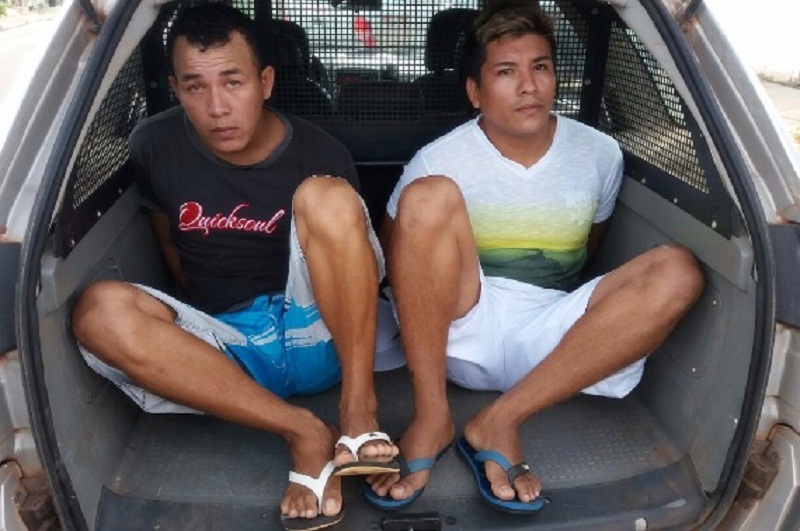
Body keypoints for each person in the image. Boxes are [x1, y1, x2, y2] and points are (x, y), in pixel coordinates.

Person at [367, 0, 705, 514]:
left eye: (540, 67)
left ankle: (500, 420)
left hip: (554, 335)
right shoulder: (438, 159)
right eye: (506, 72)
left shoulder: (599, 153)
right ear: (475, 91)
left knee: (678, 271)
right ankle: (432, 417)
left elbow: (586, 252)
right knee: (428, 196)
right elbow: (397, 260)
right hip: (459, 328)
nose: (528, 86)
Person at [70, 4, 398, 529]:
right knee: (98, 312)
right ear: (175, 90)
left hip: (319, 331)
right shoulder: (154, 144)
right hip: (227, 349)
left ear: (265, 82)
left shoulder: (320, 152)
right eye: (195, 87)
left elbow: (353, 267)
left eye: (232, 81)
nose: (217, 107)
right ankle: (303, 432)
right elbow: (172, 249)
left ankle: (358, 413)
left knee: (328, 197)